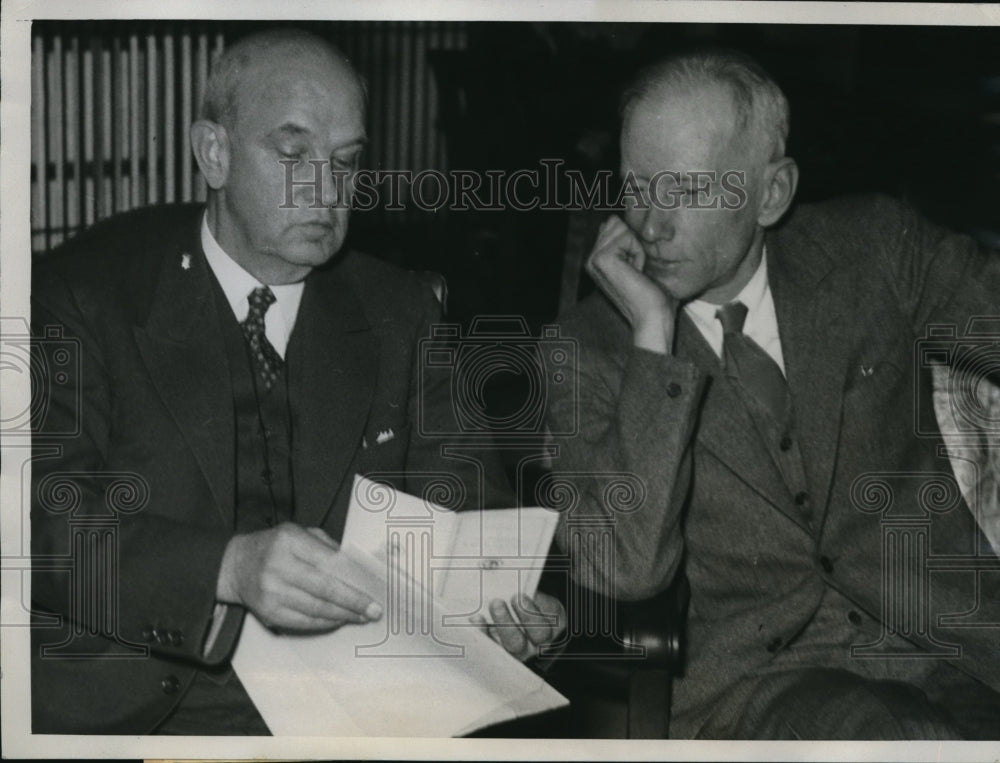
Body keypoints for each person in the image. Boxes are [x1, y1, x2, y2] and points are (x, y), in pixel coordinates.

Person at [30, 28, 563, 735]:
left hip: (352, 708)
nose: (327, 190)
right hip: (139, 709)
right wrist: (227, 568)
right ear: (213, 153)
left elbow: (471, 517)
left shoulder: (400, 311)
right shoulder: (84, 295)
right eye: (293, 155)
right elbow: (39, 523)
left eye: (346, 161)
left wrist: (509, 613)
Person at [545, 47, 1000, 739]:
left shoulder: (874, 248)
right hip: (759, 691)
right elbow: (624, 570)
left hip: (960, 651)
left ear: (773, 193)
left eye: (689, 190)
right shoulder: (585, 347)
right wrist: (652, 338)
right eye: (636, 186)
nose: (652, 224)